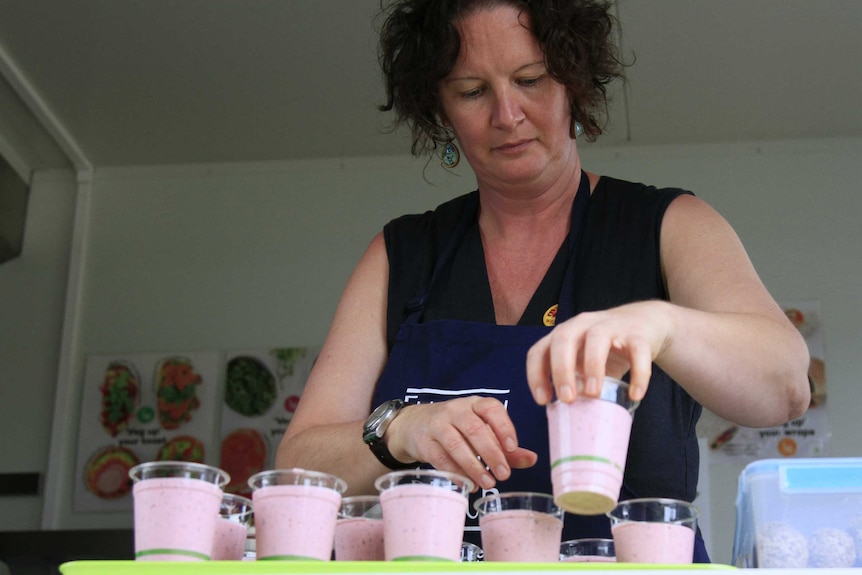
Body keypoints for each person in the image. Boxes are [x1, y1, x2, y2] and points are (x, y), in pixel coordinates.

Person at [276, 0, 811, 561]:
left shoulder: (667, 225)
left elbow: (786, 385)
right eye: (471, 91)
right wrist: (401, 431)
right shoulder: (402, 252)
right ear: (439, 108)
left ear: (573, 84)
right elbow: (294, 470)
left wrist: (664, 324)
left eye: (530, 79)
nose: (507, 114)